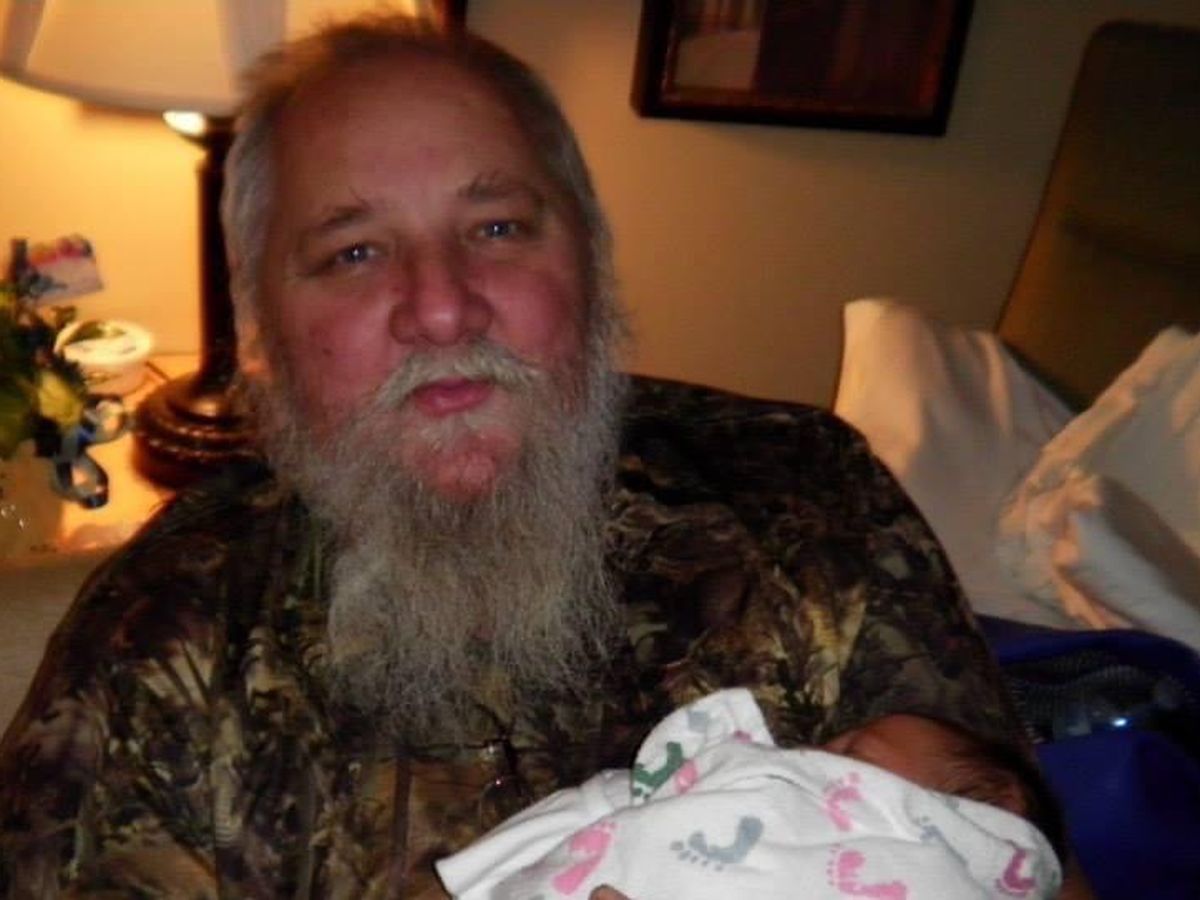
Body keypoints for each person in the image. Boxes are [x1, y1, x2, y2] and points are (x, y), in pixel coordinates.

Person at [0, 13, 1058, 898]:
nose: (441, 308)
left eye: (498, 228)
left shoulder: (808, 495)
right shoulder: (168, 633)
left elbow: (1017, 858)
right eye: (354, 252)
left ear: (592, 260)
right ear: (261, 327)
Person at [436, 689, 1066, 899]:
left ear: (989, 804)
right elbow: (597, 807)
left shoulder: (945, 874)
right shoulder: (736, 783)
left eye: (854, 752)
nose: (814, 755)